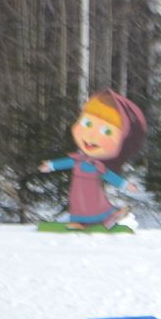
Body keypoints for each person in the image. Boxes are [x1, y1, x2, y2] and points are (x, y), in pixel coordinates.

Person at [37, 90, 149, 229]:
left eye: (106, 131)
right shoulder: (78, 159)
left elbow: (110, 176)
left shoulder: (98, 165)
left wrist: (125, 185)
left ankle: (110, 217)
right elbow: (67, 162)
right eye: (87, 123)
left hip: (93, 194)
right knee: (79, 204)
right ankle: (79, 222)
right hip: (78, 193)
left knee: (96, 206)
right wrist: (51, 165)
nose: (91, 135)